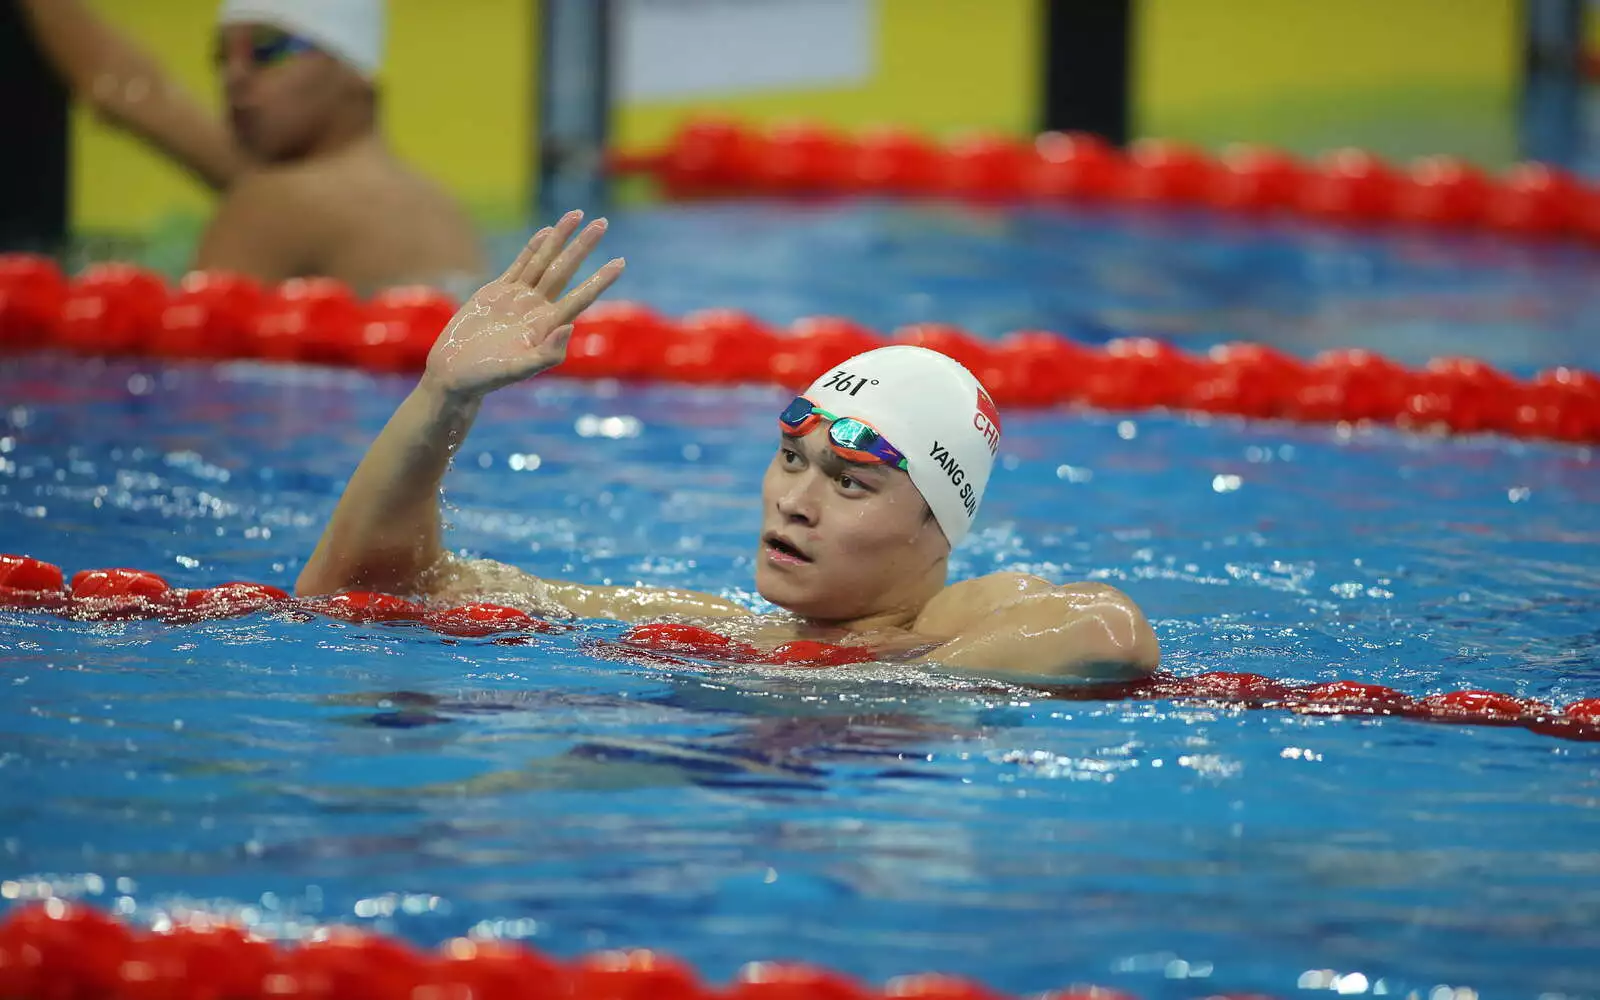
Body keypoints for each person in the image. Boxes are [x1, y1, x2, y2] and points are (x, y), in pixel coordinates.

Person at [295, 211, 1161, 681]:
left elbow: (1109, 631)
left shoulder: (941, 625)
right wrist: (441, 400)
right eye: (792, 460)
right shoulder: (725, 632)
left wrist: (855, 679)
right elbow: (367, 591)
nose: (796, 500)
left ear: (941, 530)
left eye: (851, 483)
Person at [16, 0, 485, 294]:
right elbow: (130, 91)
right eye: (222, 55)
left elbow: (193, 392)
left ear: (352, 68)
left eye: (267, 49)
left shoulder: (274, 204)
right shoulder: (436, 207)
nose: (234, 76)